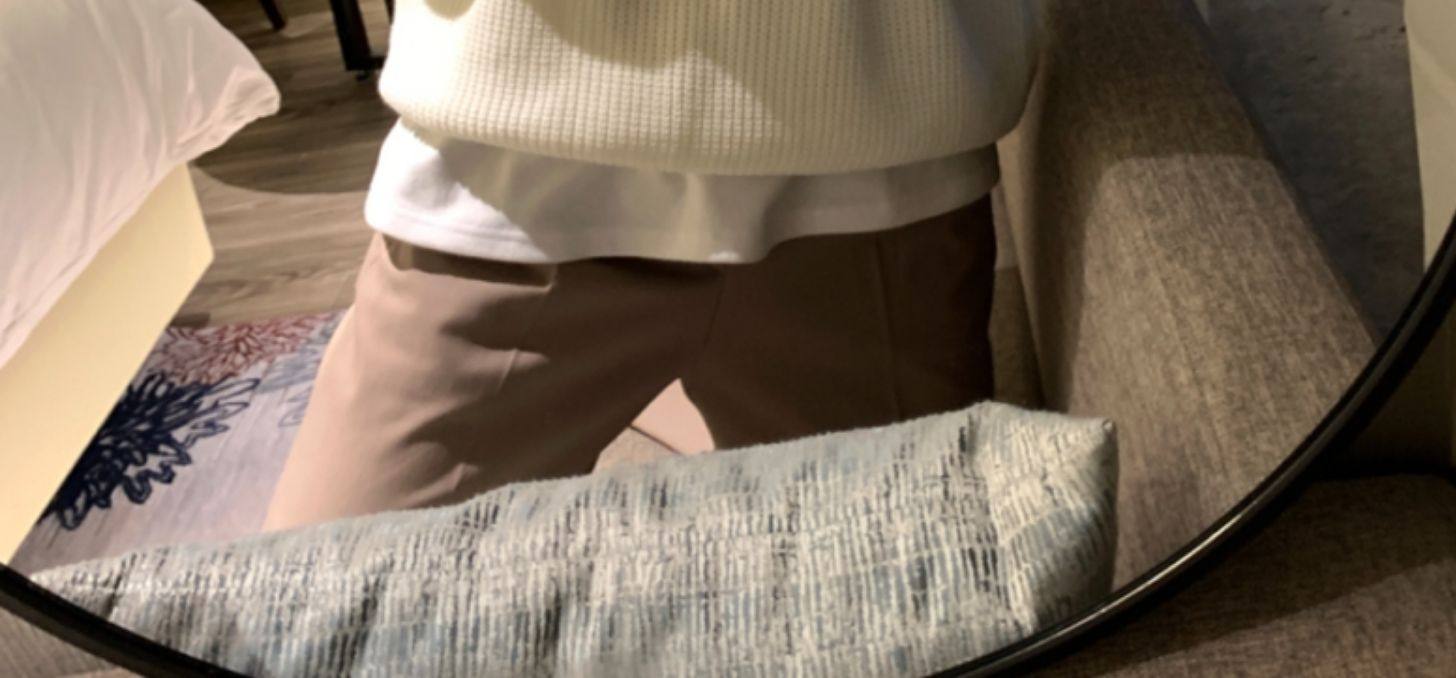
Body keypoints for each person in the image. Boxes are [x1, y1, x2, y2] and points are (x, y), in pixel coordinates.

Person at [261, 0, 1039, 531]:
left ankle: (681, 394)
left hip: (875, 162)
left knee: (916, 607)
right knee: (308, 617)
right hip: (508, 182)